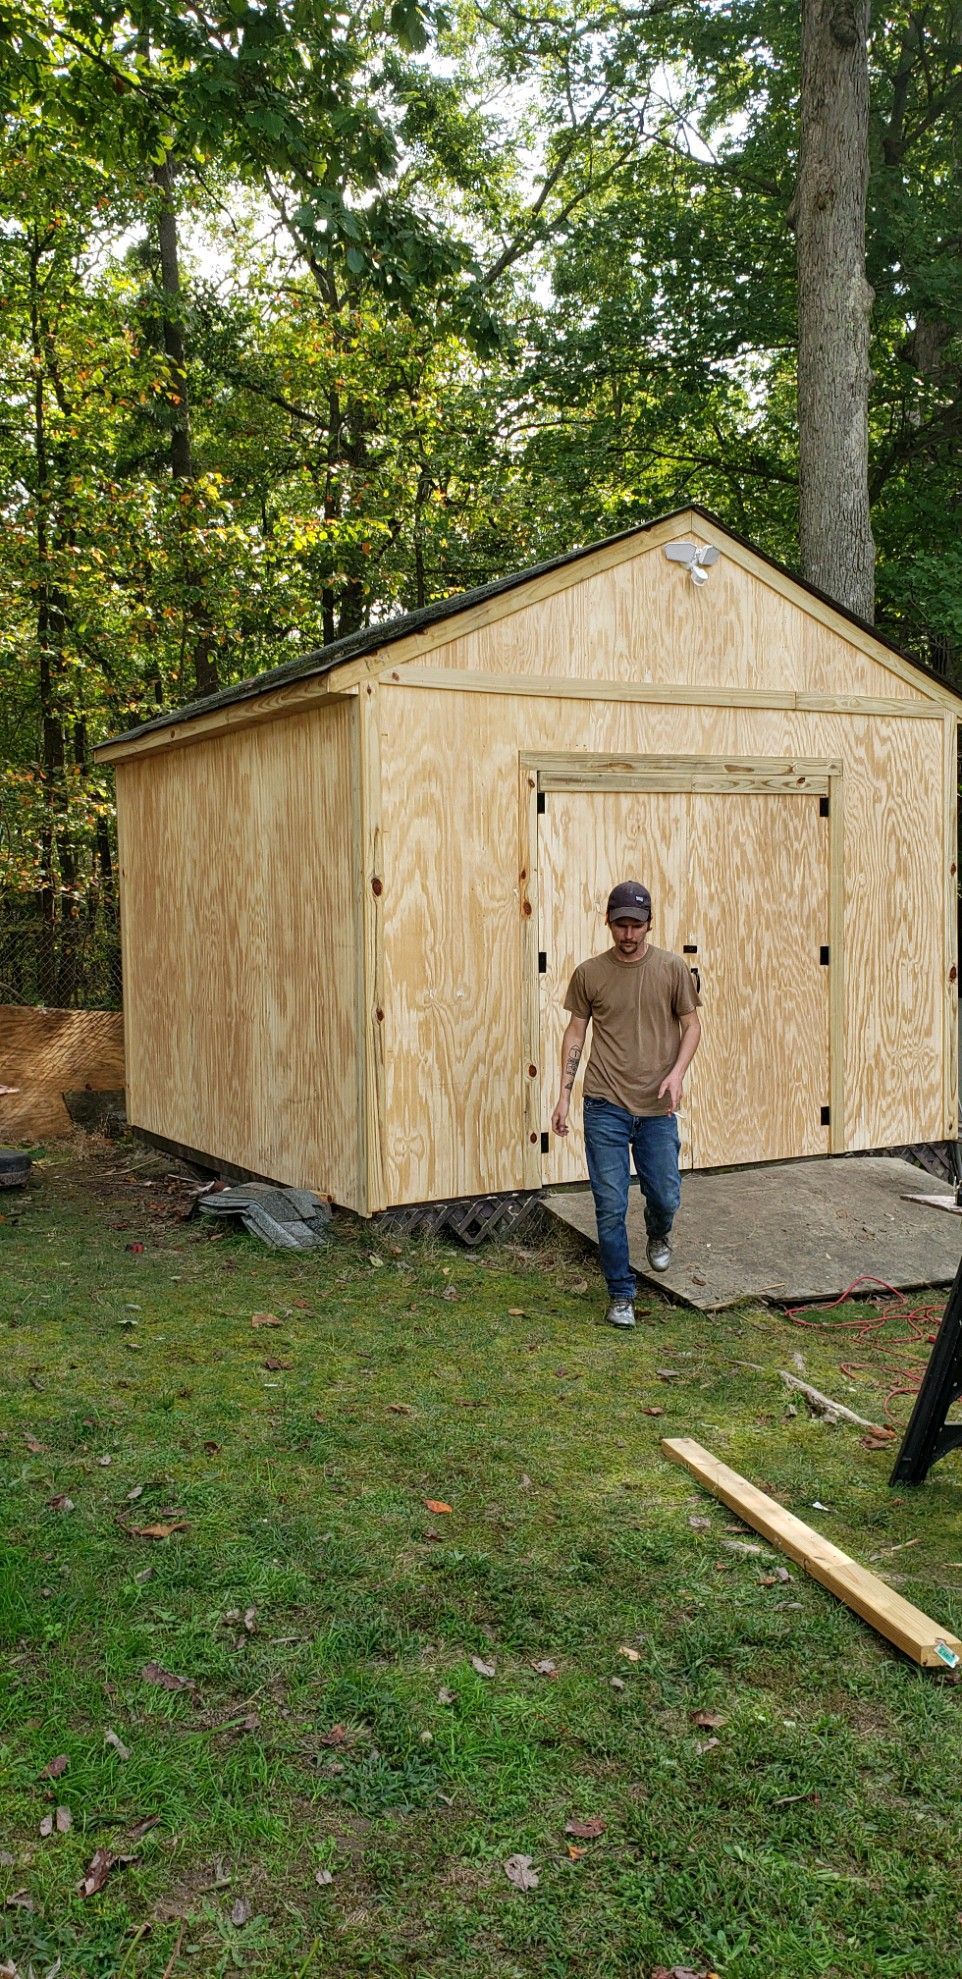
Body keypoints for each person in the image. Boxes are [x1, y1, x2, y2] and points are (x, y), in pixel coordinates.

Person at [550, 880, 702, 1329]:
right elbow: (575, 1032)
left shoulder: (672, 969)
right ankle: (621, 1295)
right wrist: (562, 1094)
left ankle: (659, 1232)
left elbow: (692, 1026)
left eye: (636, 925)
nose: (628, 934)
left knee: (666, 1194)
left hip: (657, 1109)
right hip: (604, 1105)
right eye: (620, 924)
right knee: (610, 1204)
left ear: (650, 924)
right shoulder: (589, 974)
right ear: (608, 923)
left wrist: (676, 1074)